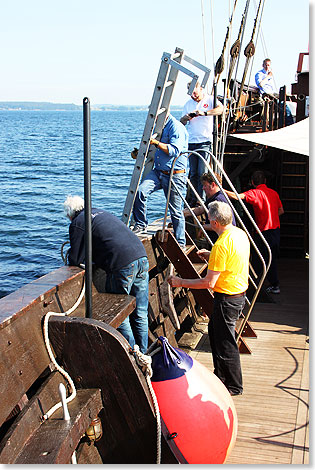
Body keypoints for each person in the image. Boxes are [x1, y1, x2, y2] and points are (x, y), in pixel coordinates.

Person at [168, 201, 250, 396]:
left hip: (227, 298)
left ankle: (234, 386)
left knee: (225, 343)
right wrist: (211, 254)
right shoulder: (238, 234)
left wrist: (180, 282)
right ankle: (221, 377)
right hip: (238, 294)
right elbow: (230, 256)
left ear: (214, 223)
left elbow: (209, 283)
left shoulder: (221, 245)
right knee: (215, 335)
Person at [64, 195, 149, 353]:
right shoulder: (101, 212)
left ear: (70, 215)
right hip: (141, 257)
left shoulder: (78, 223)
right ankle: (143, 352)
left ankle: (132, 354)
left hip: (122, 265)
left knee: (118, 310)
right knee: (141, 312)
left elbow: (75, 258)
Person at [132, 114, 188, 247]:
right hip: (158, 171)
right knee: (140, 192)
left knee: (175, 210)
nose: (154, 120)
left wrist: (156, 143)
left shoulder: (176, 127)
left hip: (174, 174)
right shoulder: (157, 128)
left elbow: (174, 150)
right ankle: (141, 224)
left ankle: (181, 243)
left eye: (156, 117)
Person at [225, 170, 284, 294]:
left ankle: (253, 287)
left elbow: (238, 196)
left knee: (257, 260)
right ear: (265, 181)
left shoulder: (256, 193)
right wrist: (271, 216)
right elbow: (281, 211)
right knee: (271, 258)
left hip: (263, 232)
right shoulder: (274, 193)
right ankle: (274, 285)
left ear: (252, 182)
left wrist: (221, 190)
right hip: (275, 230)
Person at [180, 81, 224, 204]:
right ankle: (195, 198)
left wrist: (204, 113)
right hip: (192, 141)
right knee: (193, 173)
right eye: (191, 94)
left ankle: (202, 199)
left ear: (200, 89)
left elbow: (221, 109)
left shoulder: (210, 99)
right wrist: (187, 117)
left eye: (195, 92)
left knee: (202, 172)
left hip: (205, 141)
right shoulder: (188, 104)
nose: (194, 96)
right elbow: (182, 122)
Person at [184, 172, 236, 243]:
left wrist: (203, 227)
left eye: (205, 185)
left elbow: (221, 224)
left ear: (213, 185)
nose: (203, 188)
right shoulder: (213, 197)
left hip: (221, 241)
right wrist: (184, 213)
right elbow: (200, 209)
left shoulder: (218, 200)